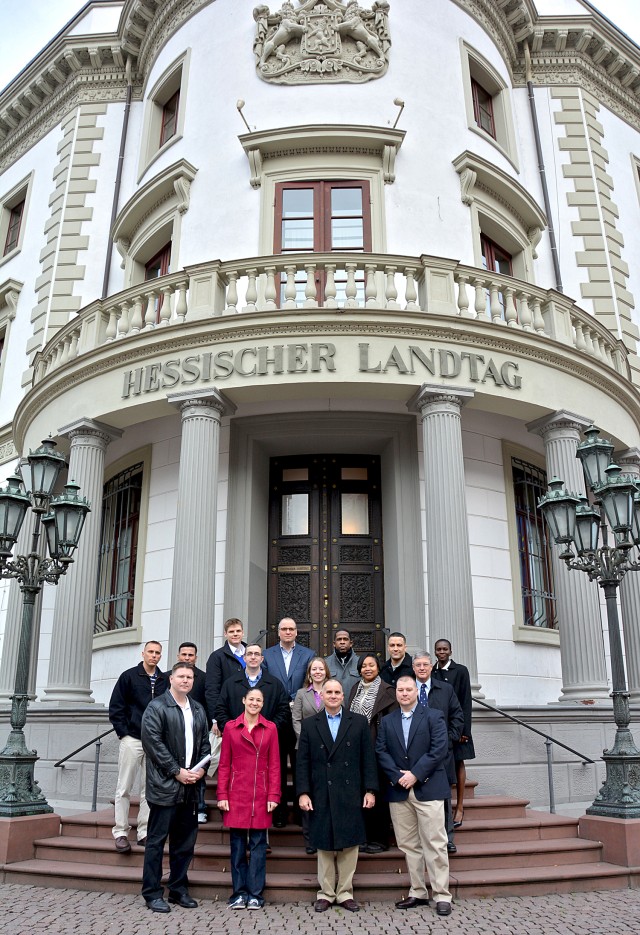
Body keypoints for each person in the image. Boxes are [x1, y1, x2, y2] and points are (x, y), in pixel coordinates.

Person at [297, 679, 378, 913]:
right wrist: (303, 793)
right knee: (323, 845)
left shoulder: (359, 722)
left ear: (344, 696)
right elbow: (302, 761)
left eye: (337, 692)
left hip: (350, 791)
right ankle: (325, 893)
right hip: (321, 790)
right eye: (328, 692)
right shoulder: (311, 724)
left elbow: (368, 759)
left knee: (350, 845)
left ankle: (344, 892)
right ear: (321, 696)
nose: (333, 696)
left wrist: (370, 790)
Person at [376, 675, 453, 916]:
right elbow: (381, 751)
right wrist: (398, 776)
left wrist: (415, 774)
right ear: (396, 693)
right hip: (399, 791)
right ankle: (418, 891)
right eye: (400, 690)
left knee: (435, 843)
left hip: (427, 788)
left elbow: (439, 749)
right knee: (409, 845)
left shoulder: (433, 716)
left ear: (416, 692)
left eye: (409, 689)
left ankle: (442, 895)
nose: (404, 693)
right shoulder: (387, 721)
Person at [140, 663, 210, 913]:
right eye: (181, 676)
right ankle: (152, 892)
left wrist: (201, 770)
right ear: (171, 679)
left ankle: (178, 889)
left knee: (184, 844)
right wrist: (176, 771)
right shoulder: (157, 707)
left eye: (189, 677)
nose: (185, 680)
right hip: (165, 786)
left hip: (190, 787)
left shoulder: (198, 709)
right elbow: (153, 744)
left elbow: (205, 745)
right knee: (157, 842)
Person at [217, 687, 281, 910]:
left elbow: (274, 765)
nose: (254, 703)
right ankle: (238, 892)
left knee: (257, 845)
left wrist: (274, 794)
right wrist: (222, 794)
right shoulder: (231, 727)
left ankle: (255, 893)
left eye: (259, 700)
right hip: (237, 793)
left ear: (263, 704)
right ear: (244, 700)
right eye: (251, 699)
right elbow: (224, 764)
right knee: (237, 845)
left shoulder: (270, 728)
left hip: (260, 793)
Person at [108, 641, 168, 852]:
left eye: (157, 653)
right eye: (150, 652)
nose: (154, 655)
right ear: (143, 653)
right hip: (132, 738)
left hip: (155, 742)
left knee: (148, 789)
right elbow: (116, 706)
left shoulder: (164, 680)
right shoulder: (129, 676)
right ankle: (121, 832)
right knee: (124, 787)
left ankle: (144, 832)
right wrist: (123, 732)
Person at [263, 618, 314, 827]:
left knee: (301, 765)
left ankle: (304, 814)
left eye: (291, 629)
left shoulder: (308, 654)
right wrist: (284, 701)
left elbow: (310, 680)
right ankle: (280, 813)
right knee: (278, 767)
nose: (287, 632)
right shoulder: (267, 655)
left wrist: (295, 699)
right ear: (278, 632)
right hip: (278, 717)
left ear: (296, 632)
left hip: (301, 717)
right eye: (283, 628)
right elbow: (266, 682)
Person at [413, 651, 464, 854]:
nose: (422, 668)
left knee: (442, 798)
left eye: (425, 664)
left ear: (432, 665)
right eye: (418, 665)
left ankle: (447, 839)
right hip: (414, 755)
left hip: (441, 753)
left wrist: (449, 740)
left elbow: (457, 716)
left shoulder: (445, 689)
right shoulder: (406, 688)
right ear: (414, 667)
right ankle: (420, 839)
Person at [348, 653, 398, 852]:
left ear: (378, 668)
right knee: (360, 795)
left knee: (376, 794)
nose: (367, 669)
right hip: (356, 750)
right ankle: (362, 837)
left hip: (378, 748)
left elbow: (392, 723)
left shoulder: (388, 691)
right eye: (364, 666)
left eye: (371, 665)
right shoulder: (354, 689)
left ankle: (378, 839)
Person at [433, 638, 475, 828]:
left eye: (445, 649)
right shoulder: (431, 671)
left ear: (450, 651)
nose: (441, 652)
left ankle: (459, 807)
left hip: (457, 726)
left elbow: (466, 701)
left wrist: (464, 730)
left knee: (459, 761)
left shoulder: (460, 671)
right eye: (438, 650)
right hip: (437, 727)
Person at [292, 656, 330, 855]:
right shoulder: (300, 694)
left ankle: (323, 834)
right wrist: (309, 740)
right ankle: (309, 840)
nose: (317, 672)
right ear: (309, 673)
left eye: (321, 669)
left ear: (325, 672)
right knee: (307, 793)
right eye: (314, 669)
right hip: (305, 749)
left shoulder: (331, 691)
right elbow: (296, 719)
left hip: (329, 751)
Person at [176, 642, 208, 824]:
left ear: (196, 657)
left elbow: (208, 699)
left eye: (191, 655)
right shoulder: (170, 677)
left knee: (198, 769)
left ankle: (200, 807)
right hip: (175, 730)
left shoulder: (203, 678)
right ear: (178, 656)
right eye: (184, 654)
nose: (187, 658)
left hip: (197, 729)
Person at [204, 617, 247, 731]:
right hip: (228, 713)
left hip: (251, 710)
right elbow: (212, 690)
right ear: (225, 634)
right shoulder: (217, 657)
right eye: (231, 631)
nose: (235, 634)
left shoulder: (251, 653)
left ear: (243, 632)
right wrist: (215, 719)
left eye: (238, 631)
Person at [324, 629, 360, 697]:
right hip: (333, 705)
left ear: (351, 643)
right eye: (339, 639)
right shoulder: (326, 663)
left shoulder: (360, 662)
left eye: (345, 639)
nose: (342, 642)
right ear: (334, 644)